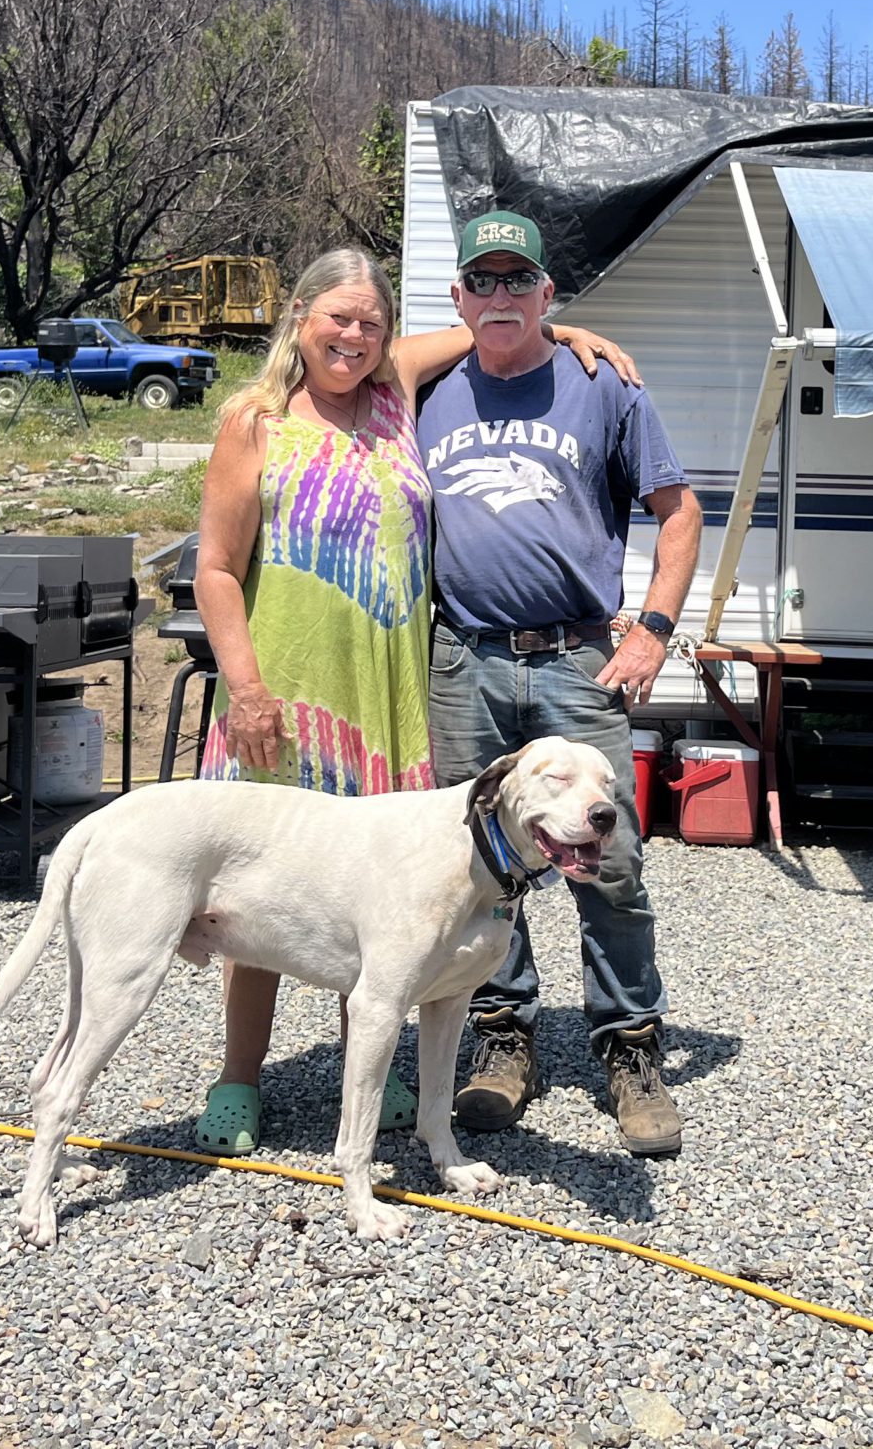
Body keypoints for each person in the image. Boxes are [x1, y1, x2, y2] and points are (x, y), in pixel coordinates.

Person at [188, 246, 632, 1156]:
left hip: (388, 695)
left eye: (371, 322)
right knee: (258, 893)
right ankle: (239, 1078)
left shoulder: (393, 391)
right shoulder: (253, 420)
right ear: (300, 316)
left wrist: (567, 331)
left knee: (381, 902)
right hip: (285, 690)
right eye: (337, 318)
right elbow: (216, 568)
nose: (352, 337)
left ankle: (373, 1075)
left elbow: (496, 326)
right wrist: (246, 688)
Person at [418, 210, 704, 1159]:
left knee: (607, 864)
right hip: (463, 660)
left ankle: (632, 1051)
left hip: (576, 661)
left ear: (548, 291)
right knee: (482, 866)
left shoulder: (602, 386)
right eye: (482, 280)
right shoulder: (427, 390)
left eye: (518, 280)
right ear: (459, 296)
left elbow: (679, 512)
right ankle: (504, 1040)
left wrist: (653, 631)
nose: (500, 295)